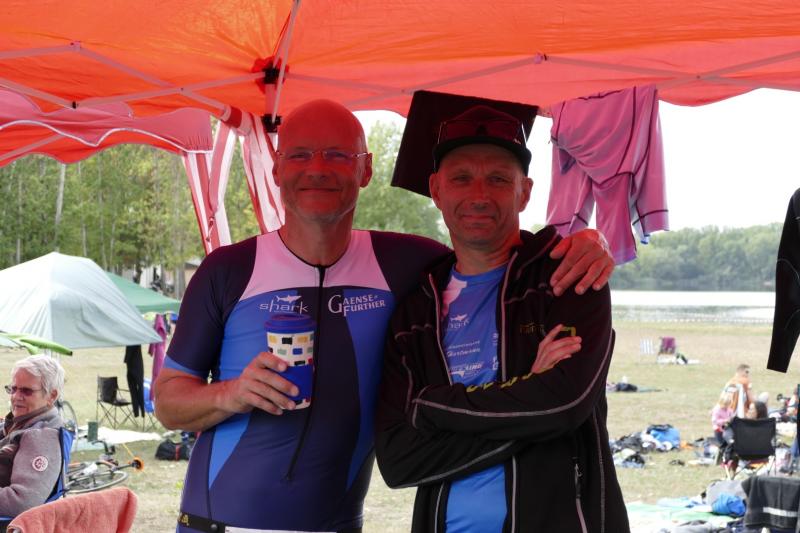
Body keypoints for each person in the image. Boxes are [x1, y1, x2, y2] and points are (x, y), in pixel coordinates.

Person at [154, 99, 616, 533]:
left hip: (337, 525)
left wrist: (589, 242)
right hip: (218, 522)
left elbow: (486, 250)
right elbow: (169, 403)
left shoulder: (404, 264)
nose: (318, 168)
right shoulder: (229, 270)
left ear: (366, 169)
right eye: (300, 155)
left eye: (338, 154)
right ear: (276, 168)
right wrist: (231, 393)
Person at [375, 104, 629, 532]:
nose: (479, 195)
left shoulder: (568, 276)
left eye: (498, 179)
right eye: (461, 178)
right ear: (436, 189)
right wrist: (530, 394)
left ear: (524, 192)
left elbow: (564, 404)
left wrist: (432, 405)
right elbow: (399, 462)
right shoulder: (415, 311)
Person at [0, 355, 65, 517]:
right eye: (13, 389)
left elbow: (21, 502)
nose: (16, 396)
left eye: (26, 391)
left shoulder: (42, 437)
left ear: (51, 396)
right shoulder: (21, 422)